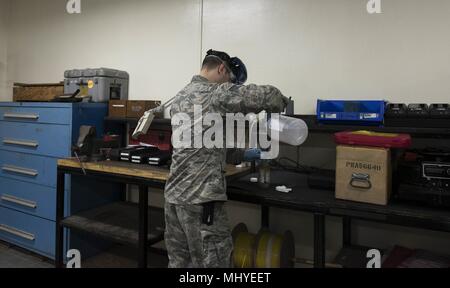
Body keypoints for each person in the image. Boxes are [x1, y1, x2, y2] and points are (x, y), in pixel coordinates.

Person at [164, 49, 289, 268]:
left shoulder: (180, 97)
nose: (230, 85)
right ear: (222, 68)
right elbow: (270, 96)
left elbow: (207, 145)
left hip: (174, 198)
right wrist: (284, 102)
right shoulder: (216, 93)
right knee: (215, 263)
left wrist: (247, 153)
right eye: (230, 79)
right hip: (202, 202)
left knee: (180, 263)